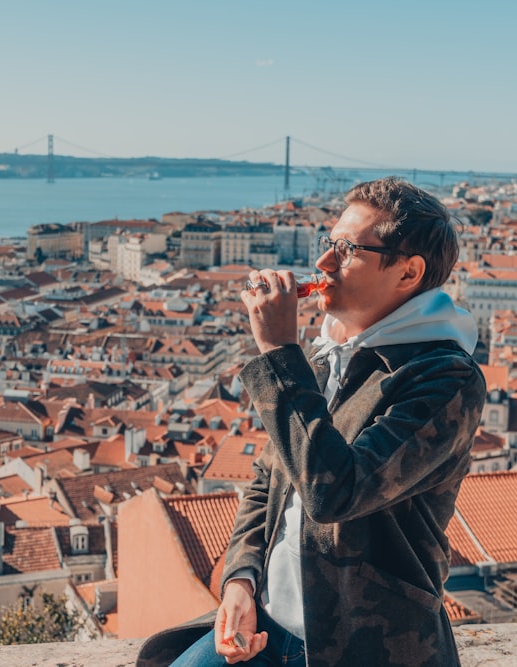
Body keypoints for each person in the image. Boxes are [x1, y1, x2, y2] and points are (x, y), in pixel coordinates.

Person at [138, 177, 486, 667]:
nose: (323, 263)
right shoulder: (328, 352)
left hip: (368, 645)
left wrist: (280, 353)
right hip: (267, 624)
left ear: (408, 273)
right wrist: (241, 579)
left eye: (346, 249)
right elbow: (269, 477)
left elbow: (335, 493)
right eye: (328, 243)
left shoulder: (446, 380)